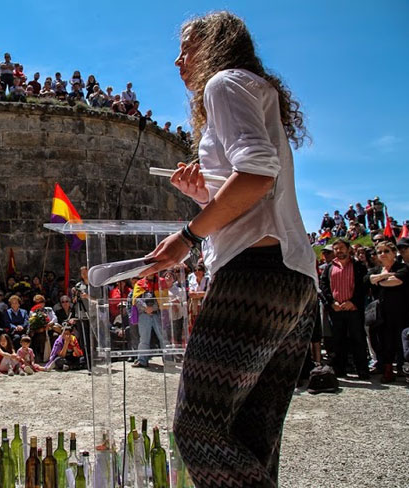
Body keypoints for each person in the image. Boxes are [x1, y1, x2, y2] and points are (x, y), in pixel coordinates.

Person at [142, 12, 318, 487]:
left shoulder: (223, 82)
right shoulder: (252, 88)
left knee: (197, 427)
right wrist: (205, 193)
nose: (178, 60)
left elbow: (258, 175)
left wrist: (188, 235)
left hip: (256, 273)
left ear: (215, 45)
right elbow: (257, 187)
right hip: (292, 276)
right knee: (251, 436)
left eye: (187, 46)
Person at [319, 239, 369, 379]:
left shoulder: (358, 266)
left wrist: (353, 302)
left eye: (341, 248)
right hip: (336, 310)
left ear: (348, 249)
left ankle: (362, 370)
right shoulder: (329, 267)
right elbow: (323, 286)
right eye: (336, 249)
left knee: (357, 339)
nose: (339, 251)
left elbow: (363, 286)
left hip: (353, 309)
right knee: (338, 341)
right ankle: (339, 370)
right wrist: (331, 302)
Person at [365, 241, 409, 383]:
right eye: (380, 252)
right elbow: (368, 280)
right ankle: (388, 370)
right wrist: (384, 276)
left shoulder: (403, 268)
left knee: (402, 342)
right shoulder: (376, 269)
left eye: (386, 251)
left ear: (394, 253)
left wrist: (379, 280)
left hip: (401, 312)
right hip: (381, 315)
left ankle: (405, 369)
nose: (382, 254)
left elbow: (395, 281)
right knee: (384, 342)